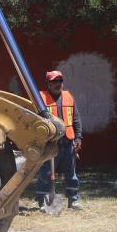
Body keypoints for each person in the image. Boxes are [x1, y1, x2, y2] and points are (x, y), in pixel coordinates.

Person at [35, 69, 82, 209]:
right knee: (46, 173)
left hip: (68, 142)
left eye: (60, 81)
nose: (58, 84)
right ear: (48, 84)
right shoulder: (40, 99)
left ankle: (73, 200)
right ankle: (43, 201)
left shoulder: (69, 97)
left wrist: (78, 137)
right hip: (50, 143)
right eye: (54, 81)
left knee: (71, 173)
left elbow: (76, 119)